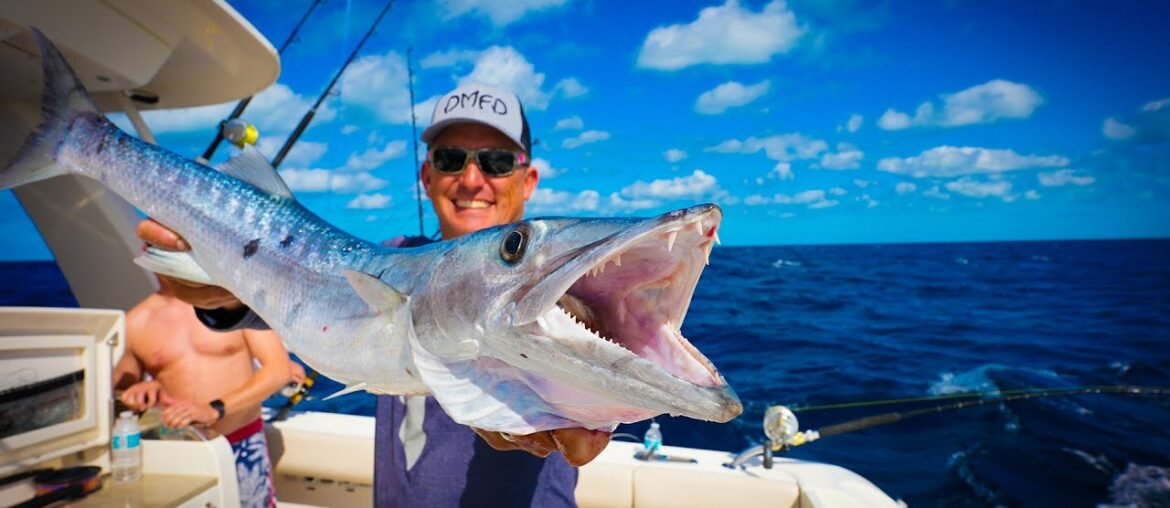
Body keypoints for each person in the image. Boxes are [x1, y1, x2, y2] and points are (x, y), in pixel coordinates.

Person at [135, 83, 611, 507]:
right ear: (427, 177)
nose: (471, 179)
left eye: (497, 161)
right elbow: (281, 297)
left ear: (527, 180)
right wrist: (219, 293)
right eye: (451, 159)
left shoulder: (563, 290)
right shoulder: (383, 260)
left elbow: (591, 371)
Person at [113, 287, 296, 508]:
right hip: (180, 453)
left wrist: (215, 408)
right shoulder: (134, 322)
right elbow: (121, 400)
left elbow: (278, 371)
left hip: (240, 444)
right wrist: (136, 394)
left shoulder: (233, 304)